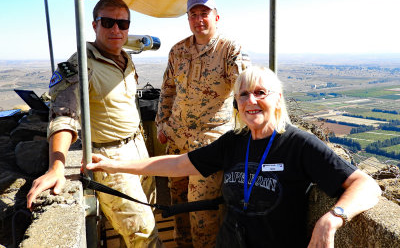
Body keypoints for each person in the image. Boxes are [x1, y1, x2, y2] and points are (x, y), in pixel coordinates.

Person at [87, 66, 381, 248]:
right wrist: (115, 164)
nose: (251, 101)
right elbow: (178, 164)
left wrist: (331, 219)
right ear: (236, 104)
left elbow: (366, 185)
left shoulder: (298, 143)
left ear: (277, 99)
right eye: (243, 95)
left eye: (260, 93)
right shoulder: (234, 142)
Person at [26, 0, 163, 248]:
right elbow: (63, 115)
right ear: (94, 25)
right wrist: (56, 167)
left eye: (123, 24)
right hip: (109, 158)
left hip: (138, 149)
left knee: (144, 221)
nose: (116, 30)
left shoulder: (123, 56)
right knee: (144, 236)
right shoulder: (80, 65)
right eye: (108, 22)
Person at [155, 0, 250, 247]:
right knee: (179, 205)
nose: (199, 19)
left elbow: (244, 86)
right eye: (194, 14)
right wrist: (162, 124)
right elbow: (168, 90)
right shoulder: (178, 50)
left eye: (204, 14)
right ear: (188, 19)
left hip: (209, 142)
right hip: (176, 140)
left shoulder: (229, 49)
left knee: (203, 213)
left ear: (216, 17)